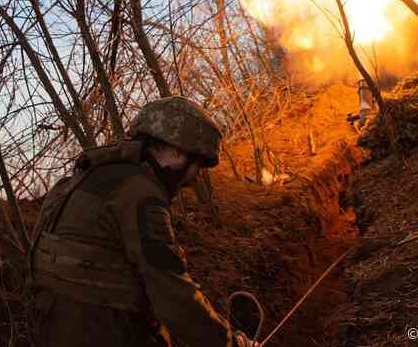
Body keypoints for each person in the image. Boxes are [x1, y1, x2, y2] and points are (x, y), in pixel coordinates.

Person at [29, 97, 259, 347]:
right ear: (176, 151)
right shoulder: (140, 193)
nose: (194, 178)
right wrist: (230, 344)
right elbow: (171, 291)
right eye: (197, 165)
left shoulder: (83, 178)